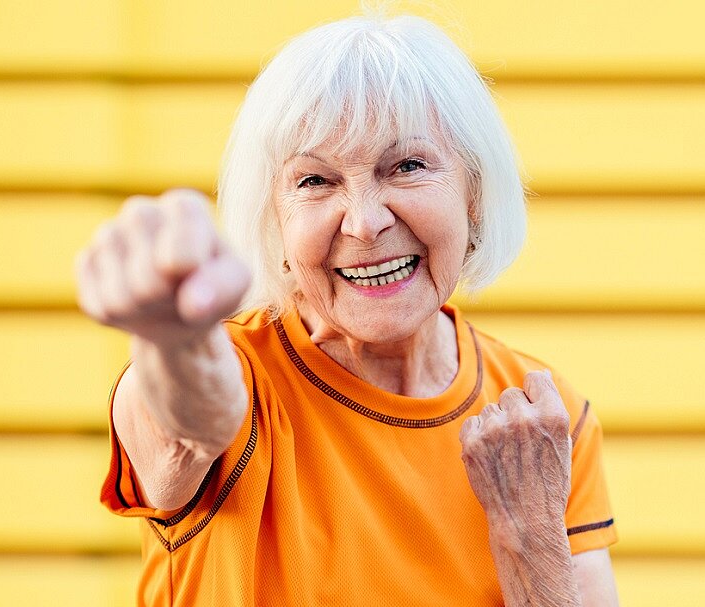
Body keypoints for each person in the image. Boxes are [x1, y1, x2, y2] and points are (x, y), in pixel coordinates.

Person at [76, 11, 619, 607]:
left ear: (475, 194)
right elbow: (189, 419)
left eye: (407, 166)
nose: (364, 222)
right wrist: (174, 341)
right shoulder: (242, 375)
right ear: (274, 223)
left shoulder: (539, 414)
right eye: (315, 181)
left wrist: (530, 536)